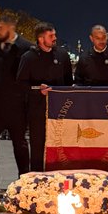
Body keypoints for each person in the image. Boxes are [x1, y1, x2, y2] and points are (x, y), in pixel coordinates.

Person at [0, 14, 32, 183]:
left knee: (20, 144)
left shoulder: (25, 47)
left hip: (16, 106)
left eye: (0, 28)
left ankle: (24, 180)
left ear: (11, 28)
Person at [16, 23, 74, 172]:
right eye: (51, 36)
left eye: (54, 35)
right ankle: (37, 178)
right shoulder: (28, 58)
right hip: (37, 110)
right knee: (37, 145)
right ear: (41, 39)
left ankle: (58, 177)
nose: (55, 38)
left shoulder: (63, 55)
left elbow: (69, 82)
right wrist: (38, 90)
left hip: (60, 111)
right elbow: (21, 84)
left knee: (60, 145)